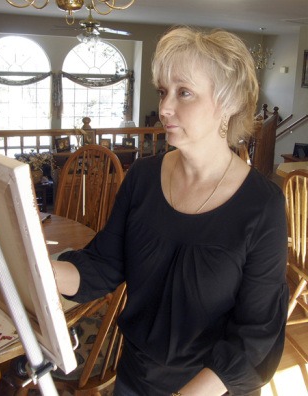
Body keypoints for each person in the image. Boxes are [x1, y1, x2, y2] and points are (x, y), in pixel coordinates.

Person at [52, 26, 289, 396]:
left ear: (226, 104)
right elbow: (100, 268)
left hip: (210, 388)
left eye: (185, 93)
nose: (164, 107)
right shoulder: (142, 178)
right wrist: (28, 265)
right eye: (164, 91)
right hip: (135, 376)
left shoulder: (262, 205)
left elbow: (256, 336)